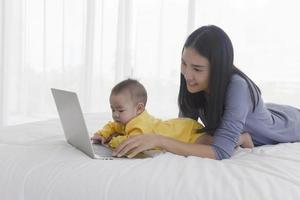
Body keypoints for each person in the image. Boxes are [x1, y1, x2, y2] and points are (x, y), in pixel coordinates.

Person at [112, 25, 300, 160]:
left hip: (291, 125)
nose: (187, 74)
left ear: (218, 69)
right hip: (254, 117)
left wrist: (159, 140)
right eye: (184, 63)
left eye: (197, 69)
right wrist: (129, 133)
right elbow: (184, 128)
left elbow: (220, 151)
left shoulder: (238, 88)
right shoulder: (195, 84)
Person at [91, 79, 253, 153]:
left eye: (119, 110)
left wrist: (111, 140)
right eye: (112, 109)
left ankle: (241, 138)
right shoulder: (127, 119)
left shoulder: (140, 125)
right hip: (177, 126)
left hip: (186, 132)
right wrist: (102, 134)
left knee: (211, 143)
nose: (115, 115)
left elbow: (131, 142)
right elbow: (112, 126)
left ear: (139, 108)